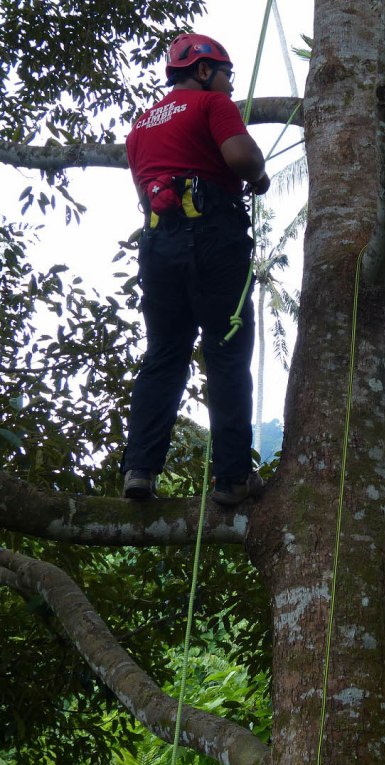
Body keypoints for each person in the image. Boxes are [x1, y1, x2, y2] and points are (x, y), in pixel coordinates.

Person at [120, 33, 271, 505]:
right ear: (204, 71)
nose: (229, 87)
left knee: (164, 355)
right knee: (226, 353)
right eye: (226, 75)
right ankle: (231, 478)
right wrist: (260, 176)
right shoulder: (210, 105)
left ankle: (140, 470)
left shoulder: (140, 128)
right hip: (212, 240)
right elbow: (242, 158)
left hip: (157, 245)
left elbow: (145, 196)